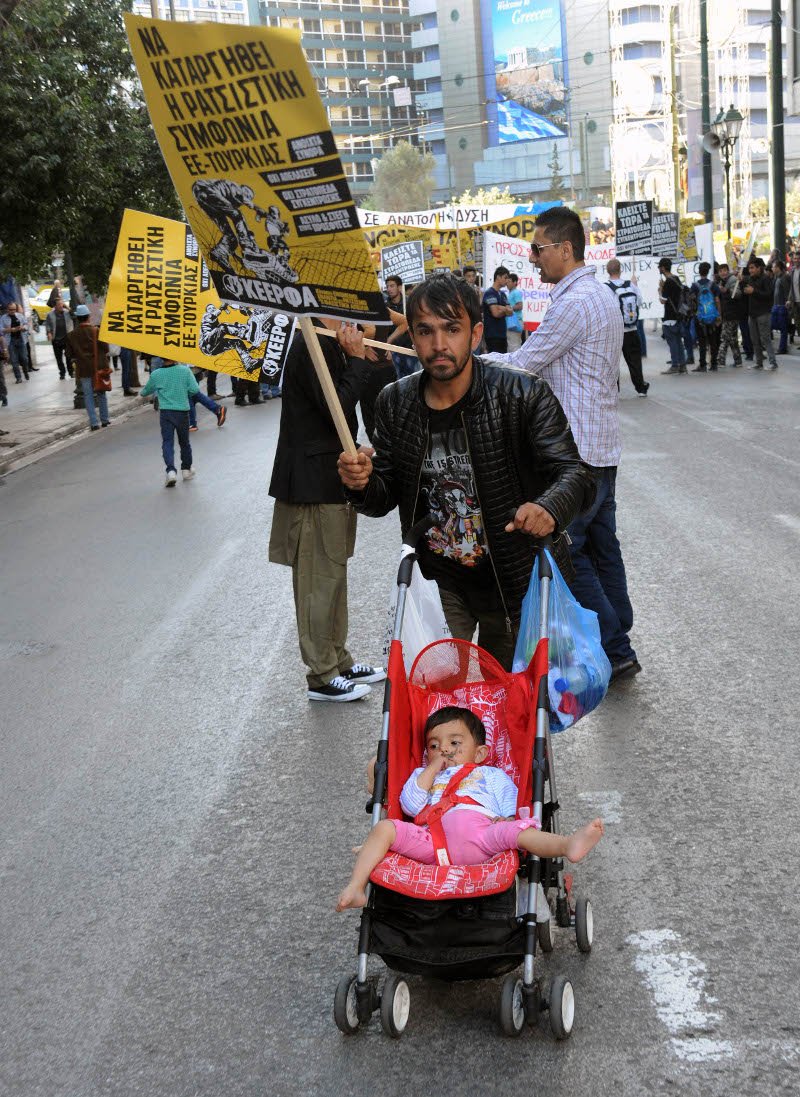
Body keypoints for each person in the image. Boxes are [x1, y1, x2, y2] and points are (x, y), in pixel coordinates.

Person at [337, 272, 594, 672]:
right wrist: (362, 481)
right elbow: (383, 496)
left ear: (474, 335)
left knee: (514, 710)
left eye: (451, 329)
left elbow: (575, 474)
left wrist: (548, 508)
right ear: (413, 337)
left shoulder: (522, 394)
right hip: (438, 583)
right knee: (438, 705)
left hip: (514, 578)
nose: (439, 345)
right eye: (425, 331)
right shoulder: (394, 402)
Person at [481, 208, 639, 681]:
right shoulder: (600, 294)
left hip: (579, 454)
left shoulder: (574, 302)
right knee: (603, 550)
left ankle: (613, 649)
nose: (533, 258)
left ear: (565, 249)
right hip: (602, 447)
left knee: (575, 555)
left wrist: (472, 362)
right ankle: (621, 641)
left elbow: (527, 362)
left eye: (538, 249)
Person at [336, 706, 604, 911]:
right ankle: (357, 886)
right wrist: (430, 769)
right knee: (385, 828)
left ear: (479, 754)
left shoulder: (490, 774)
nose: (444, 750)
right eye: (433, 745)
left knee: (520, 831)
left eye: (455, 743)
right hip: (433, 843)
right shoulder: (425, 775)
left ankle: (567, 845)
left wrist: (508, 819)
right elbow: (410, 805)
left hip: (481, 834)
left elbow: (511, 801)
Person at [269, 322, 386, 703]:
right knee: (317, 581)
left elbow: (333, 419)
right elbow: (334, 403)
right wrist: (355, 360)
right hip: (311, 484)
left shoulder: (328, 343)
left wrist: (355, 446)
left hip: (332, 477)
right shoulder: (310, 344)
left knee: (334, 575)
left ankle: (338, 659)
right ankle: (321, 674)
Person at [138, 357, 200, 485]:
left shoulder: (156, 374)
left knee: (167, 442)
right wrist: (183, 393)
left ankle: (171, 471)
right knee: (184, 442)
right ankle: (186, 470)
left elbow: (144, 392)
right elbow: (195, 389)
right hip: (182, 411)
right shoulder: (185, 371)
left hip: (166, 413)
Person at [605, 259, 648, 396]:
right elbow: (640, 302)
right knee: (634, 360)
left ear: (607, 271)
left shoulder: (605, 287)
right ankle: (641, 388)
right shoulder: (631, 285)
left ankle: (614, 390)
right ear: (620, 270)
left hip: (615, 333)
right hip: (632, 330)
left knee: (613, 363)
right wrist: (635, 285)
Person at [66, 304, 111, 431]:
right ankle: (105, 419)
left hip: (83, 369)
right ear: (88, 317)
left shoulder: (71, 335)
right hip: (99, 367)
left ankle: (93, 423)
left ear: (77, 318)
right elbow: (106, 348)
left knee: (88, 396)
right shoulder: (96, 331)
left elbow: (69, 354)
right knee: (101, 394)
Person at [742, 257, 778, 371]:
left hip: (763, 313)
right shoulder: (750, 279)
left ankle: (773, 363)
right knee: (754, 339)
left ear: (759, 268)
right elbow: (743, 281)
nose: (750, 270)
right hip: (752, 314)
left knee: (765, 338)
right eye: (749, 268)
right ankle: (759, 363)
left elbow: (768, 295)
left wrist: (754, 291)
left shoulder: (766, 279)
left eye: (752, 268)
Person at [690, 261, 722, 372]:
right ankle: (714, 364)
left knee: (701, 341)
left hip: (700, 317)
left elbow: (692, 301)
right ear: (708, 272)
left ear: (699, 271)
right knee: (713, 341)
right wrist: (719, 315)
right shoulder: (713, 285)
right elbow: (717, 300)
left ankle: (702, 365)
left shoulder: (694, 286)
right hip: (712, 316)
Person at [658, 258, 688, 375]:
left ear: (663, 268)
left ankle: (675, 365)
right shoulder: (675, 278)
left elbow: (663, 301)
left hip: (670, 316)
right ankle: (682, 365)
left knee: (672, 342)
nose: (659, 269)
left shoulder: (668, 282)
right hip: (678, 314)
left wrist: (660, 289)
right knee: (678, 341)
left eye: (660, 267)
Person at [384, 275, 416, 379]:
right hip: (394, 351)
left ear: (399, 287)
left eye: (392, 286)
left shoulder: (410, 302)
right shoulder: (385, 306)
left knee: (414, 380)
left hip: (410, 349)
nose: (389, 289)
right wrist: (386, 345)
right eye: (387, 286)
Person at [715, 264, 743, 368]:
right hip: (727, 313)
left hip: (732, 313)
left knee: (724, 337)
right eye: (721, 271)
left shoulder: (732, 280)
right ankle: (738, 361)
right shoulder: (721, 281)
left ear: (728, 271)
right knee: (732, 339)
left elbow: (738, 294)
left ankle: (720, 360)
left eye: (725, 270)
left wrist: (726, 291)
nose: (723, 273)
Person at [481, 266, 513, 353]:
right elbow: (495, 313)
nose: (507, 281)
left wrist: (501, 308)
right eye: (505, 277)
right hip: (492, 334)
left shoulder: (503, 294)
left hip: (502, 334)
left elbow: (511, 312)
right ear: (498, 277)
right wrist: (505, 309)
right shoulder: (489, 293)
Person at [45, 299, 74, 379]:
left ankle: (71, 372)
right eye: (59, 304)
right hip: (56, 340)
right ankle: (62, 373)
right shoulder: (50, 314)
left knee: (69, 357)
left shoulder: (67, 312)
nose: (61, 306)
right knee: (59, 358)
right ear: (55, 306)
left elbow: (74, 314)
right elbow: (47, 324)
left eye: (62, 304)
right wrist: (49, 332)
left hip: (67, 338)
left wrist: (67, 307)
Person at [1, 302, 30, 382]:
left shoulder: (20, 316)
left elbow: (27, 325)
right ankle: (18, 378)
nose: (12, 311)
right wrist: (10, 330)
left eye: (14, 309)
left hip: (21, 339)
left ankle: (25, 371)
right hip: (11, 341)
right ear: (7, 309)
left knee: (24, 358)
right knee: (14, 360)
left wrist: (23, 328)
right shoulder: (3, 318)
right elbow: (1, 330)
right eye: (10, 310)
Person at [771, 259, 790, 355]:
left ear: (778, 268)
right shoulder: (776, 277)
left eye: (773, 267)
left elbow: (787, 292)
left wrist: (787, 302)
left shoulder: (784, 277)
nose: (772, 268)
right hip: (775, 306)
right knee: (772, 325)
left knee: (783, 329)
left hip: (782, 306)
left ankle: (783, 348)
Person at [505, 272, 525, 351]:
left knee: (514, 346)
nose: (507, 283)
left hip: (514, 323)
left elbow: (520, 306)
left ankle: (514, 363)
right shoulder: (511, 293)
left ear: (515, 282)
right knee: (512, 344)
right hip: (512, 322)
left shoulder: (516, 292)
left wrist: (508, 309)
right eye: (507, 281)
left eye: (509, 281)